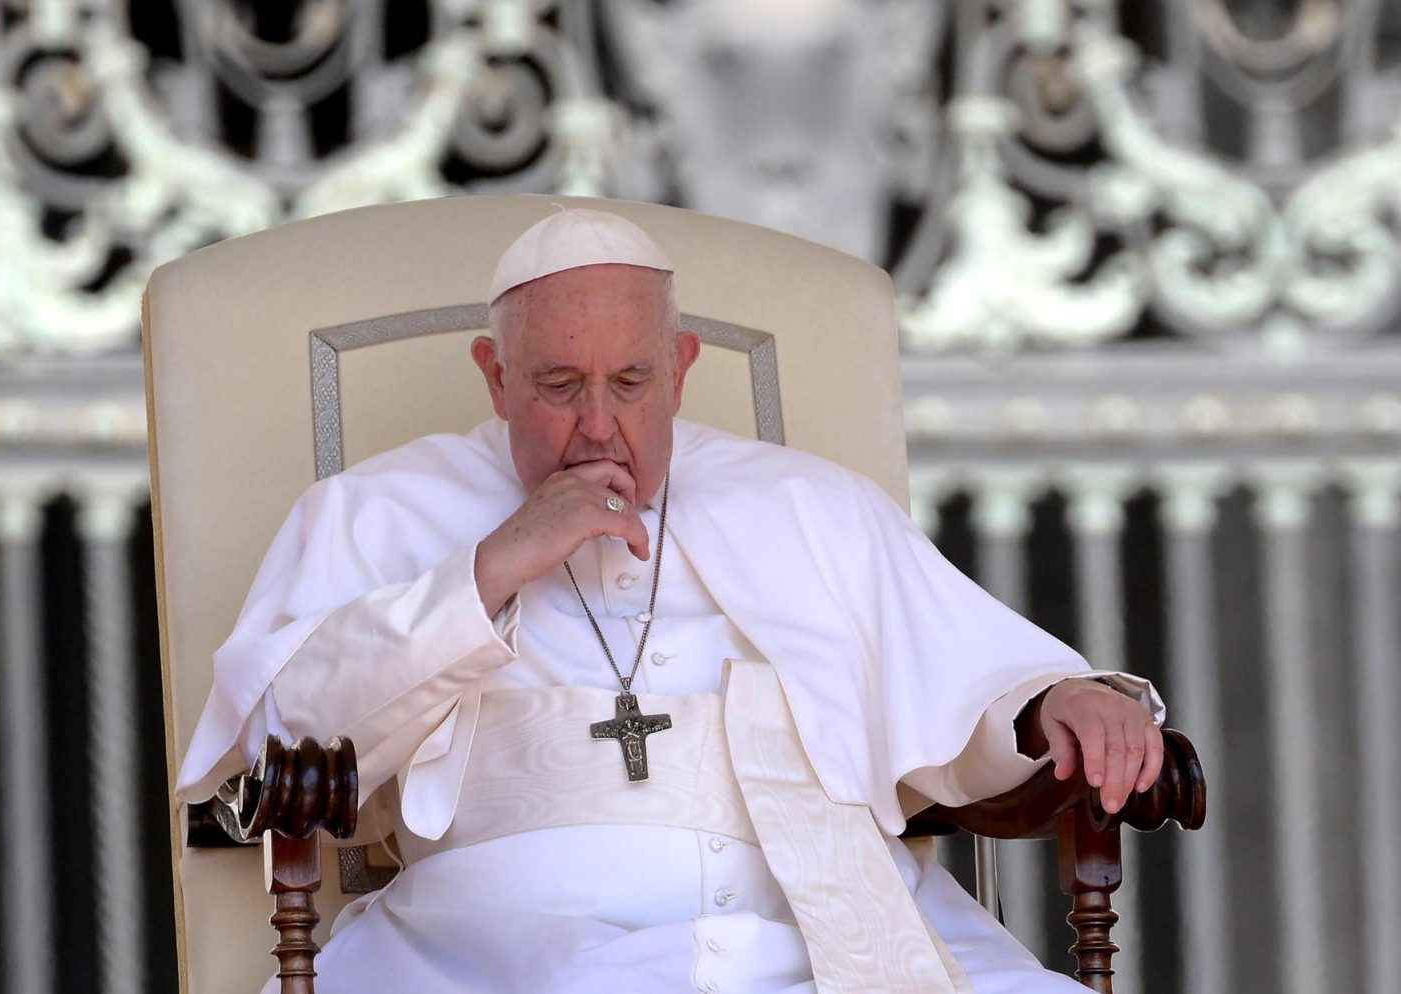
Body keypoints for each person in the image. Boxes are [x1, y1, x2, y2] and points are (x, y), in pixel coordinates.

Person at [176, 207, 1165, 994]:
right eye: (559, 384)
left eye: (631, 381)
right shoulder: (374, 511)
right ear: (495, 375)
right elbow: (276, 732)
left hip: (817, 929)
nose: (599, 424)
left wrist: (1056, 701)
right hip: (500, 946)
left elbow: (971, 674)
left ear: (681, 369)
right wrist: (488, 570)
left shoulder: (809, 504)